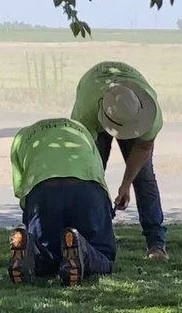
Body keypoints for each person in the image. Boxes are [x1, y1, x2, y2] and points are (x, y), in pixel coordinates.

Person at [71, 60, 167, 261]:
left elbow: (143, 148)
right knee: (89, 179)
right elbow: (84, 162)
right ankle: (89, 240)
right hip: (93, 93)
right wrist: (99, 191)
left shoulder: (151, 115)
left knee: (144, 178)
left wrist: (125, 185)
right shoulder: (85, 113)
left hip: (128, 107)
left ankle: (156, 244)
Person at [6, 115, 117, 285]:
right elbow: (97, 171)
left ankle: (30, 249)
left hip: (42, 188)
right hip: (87, 185)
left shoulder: (22, 138)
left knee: (49, 255)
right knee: (104, 255)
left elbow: (23, 193)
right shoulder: (82, 131)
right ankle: (82, 249)